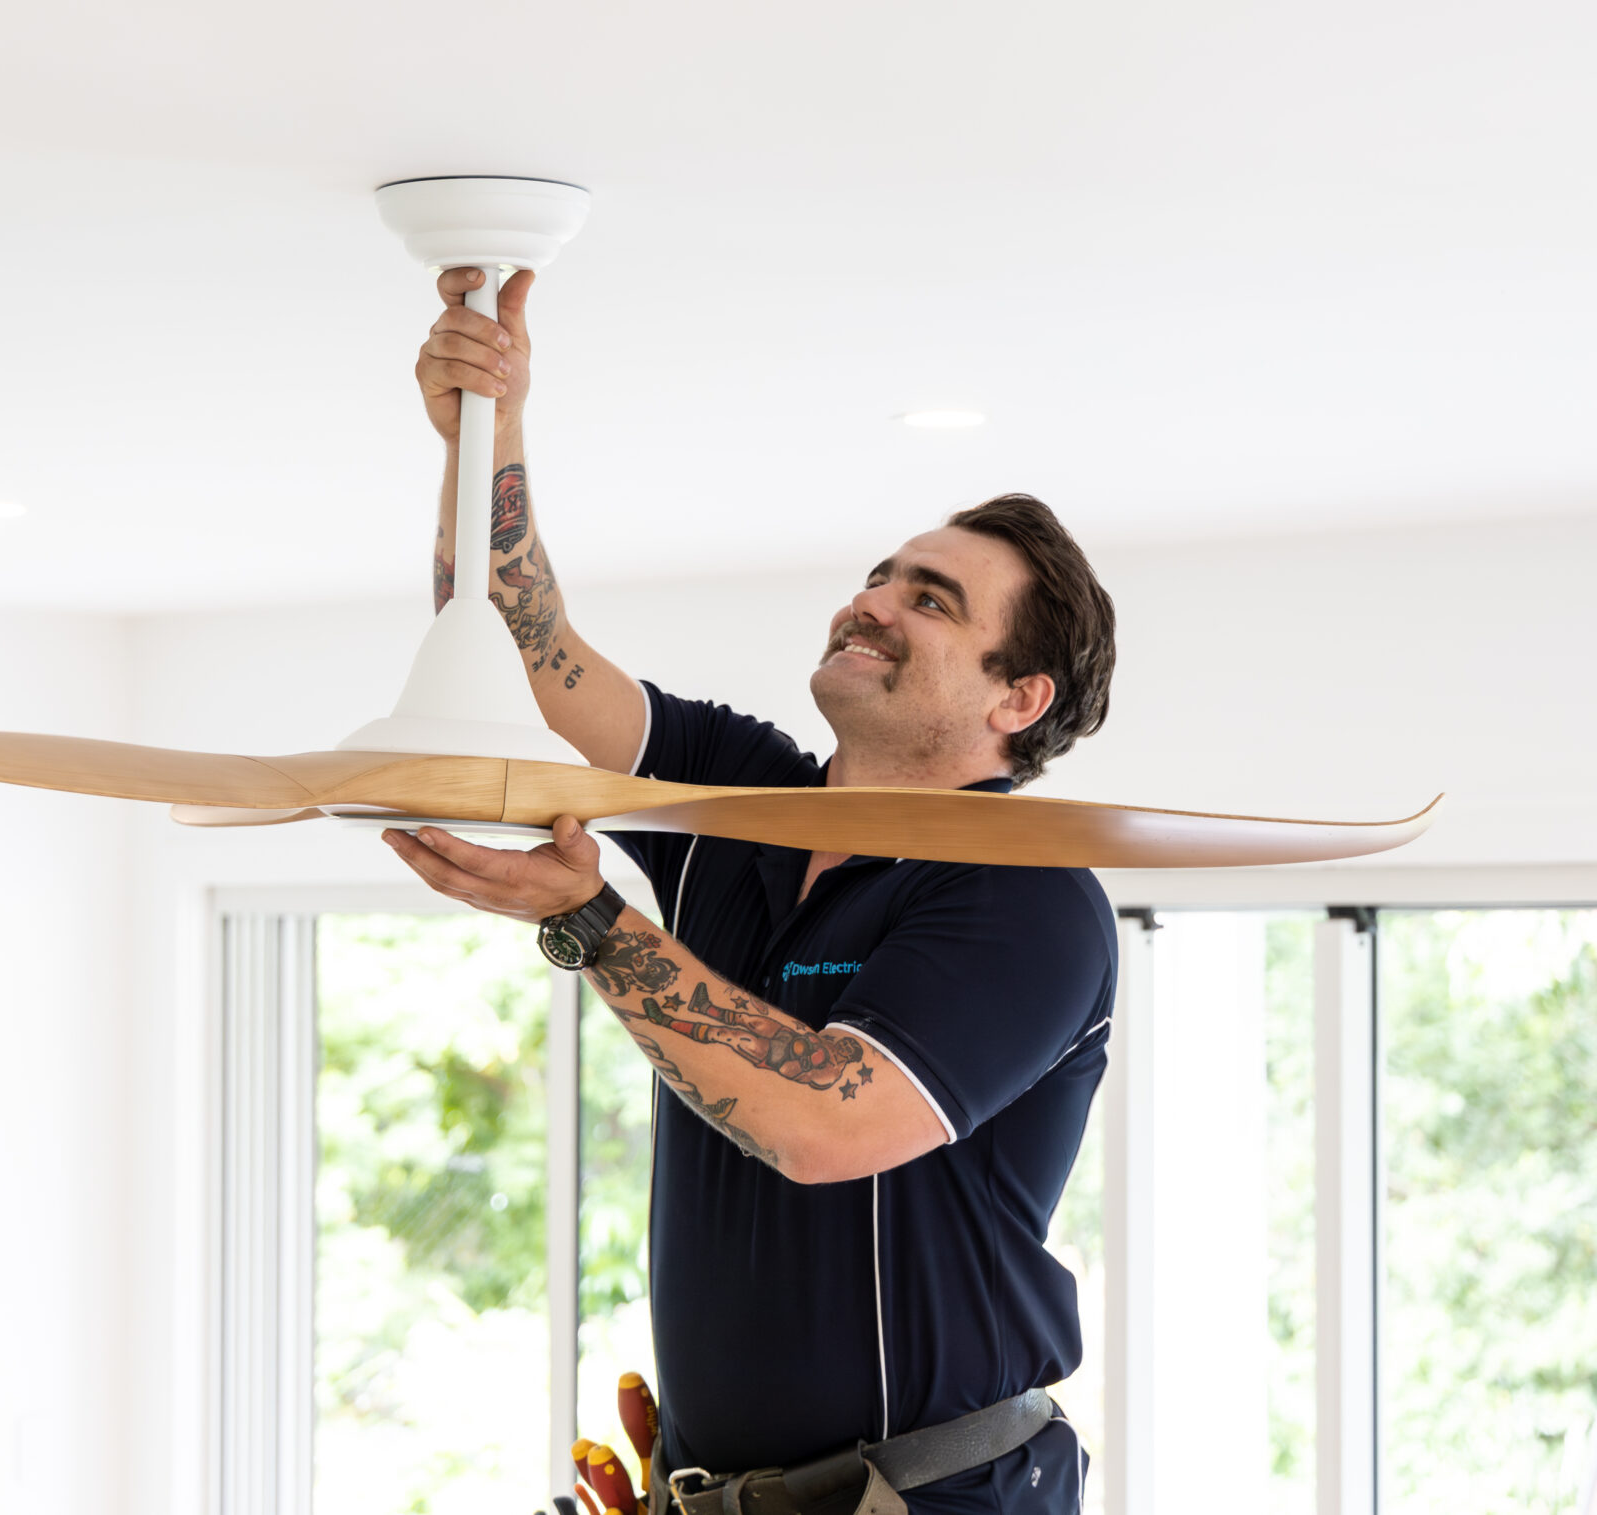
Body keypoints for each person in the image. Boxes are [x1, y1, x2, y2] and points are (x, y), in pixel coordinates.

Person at [381, 267, 1121, 1515]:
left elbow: (826, 1124)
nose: (872, 602)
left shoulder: (1025, 891)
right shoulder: (741, 802)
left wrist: (587, 918)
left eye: (928, 601)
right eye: (881, 575)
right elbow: (521, 654)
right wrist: (483, 432)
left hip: (931, 1498)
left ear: (1017, 697)